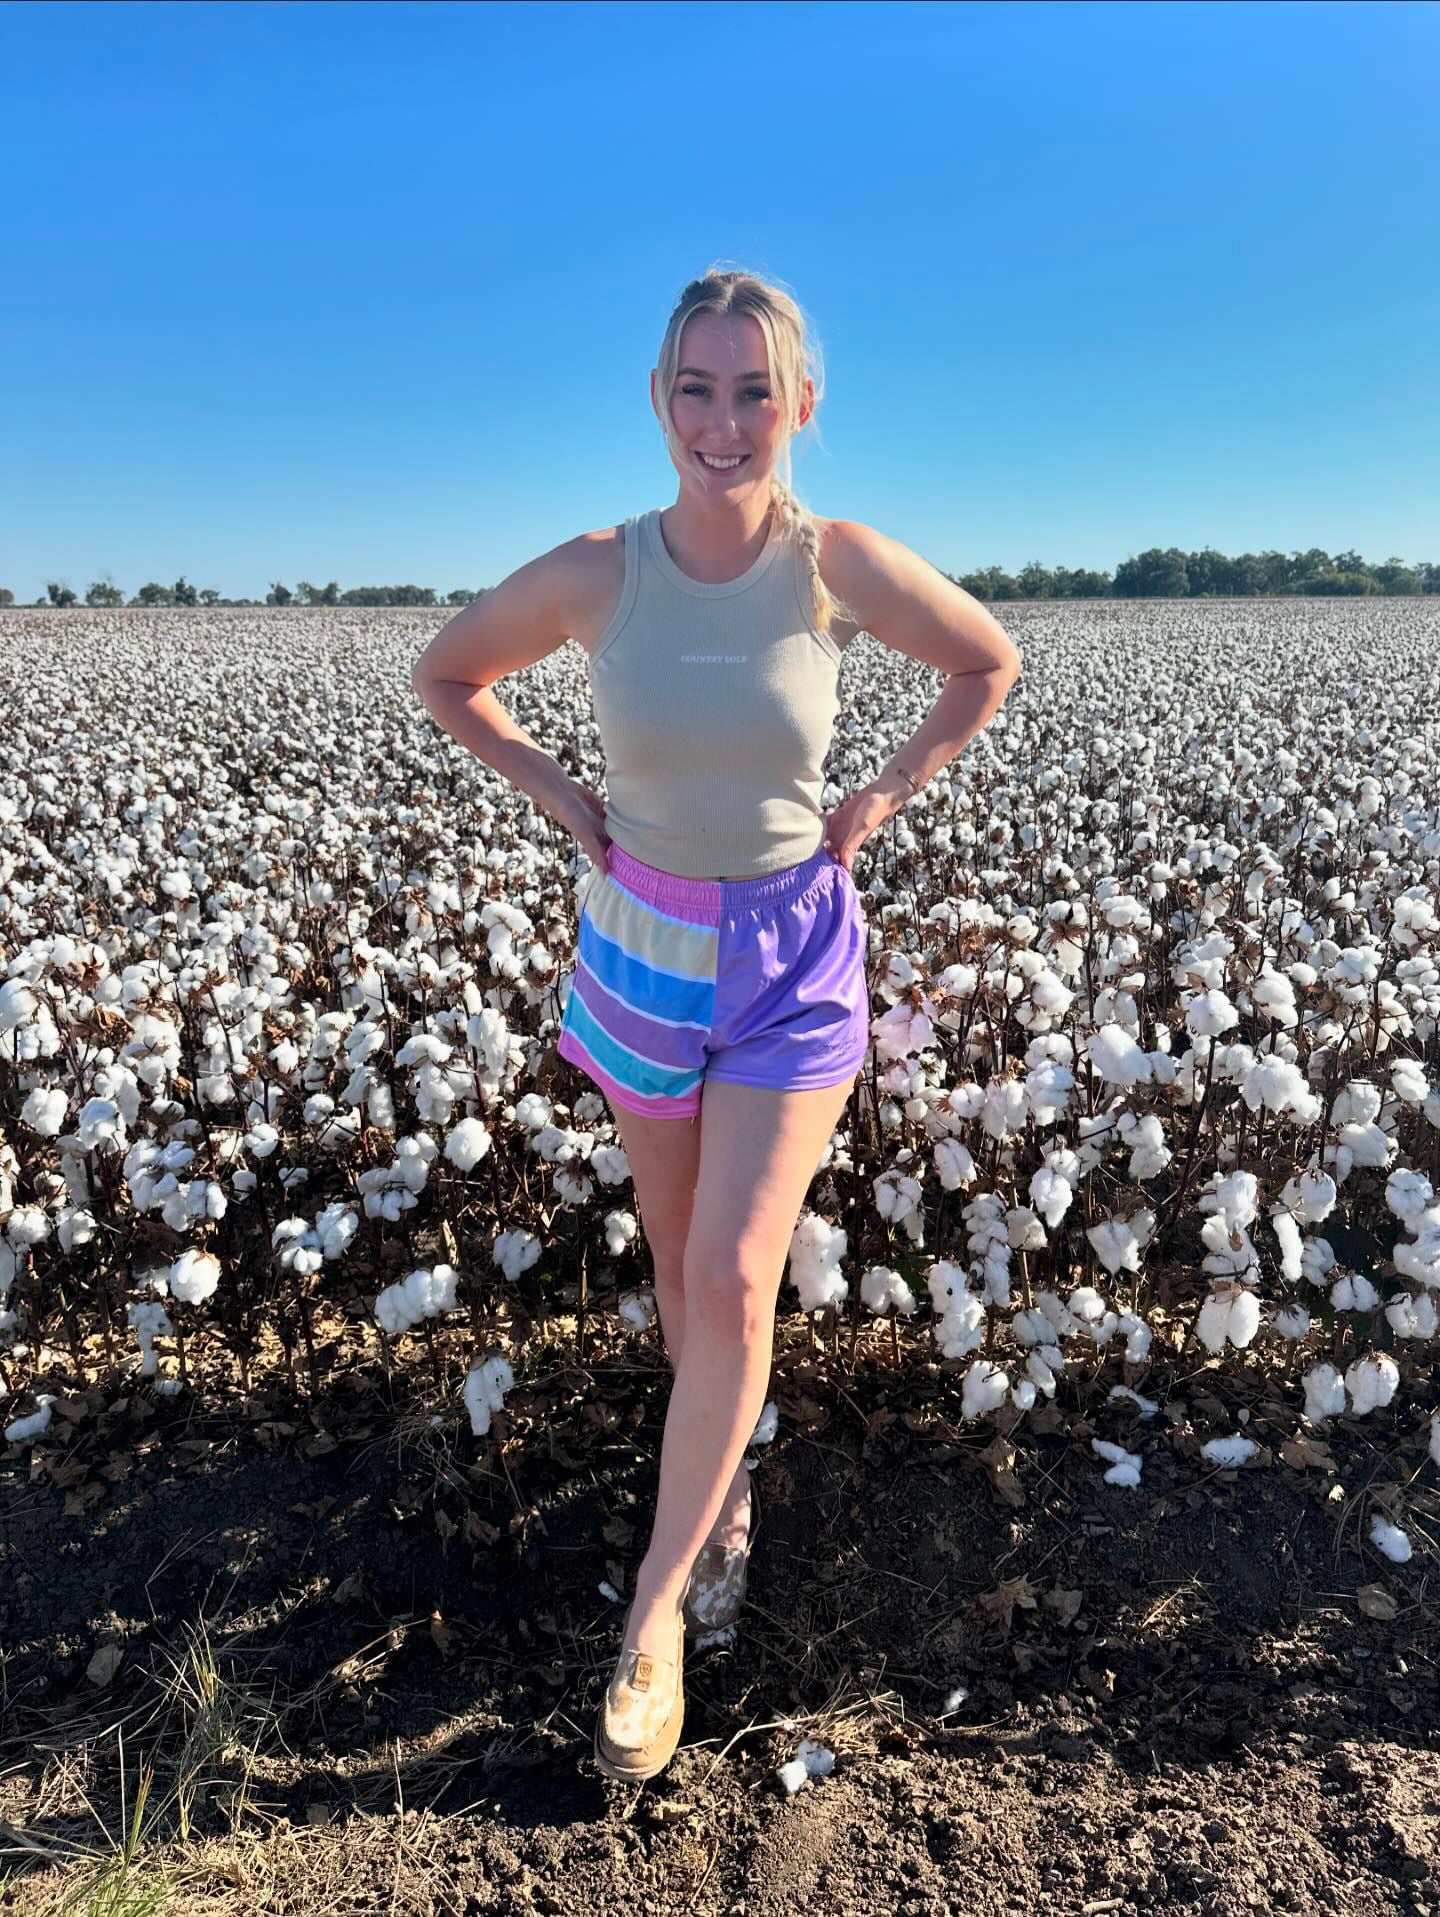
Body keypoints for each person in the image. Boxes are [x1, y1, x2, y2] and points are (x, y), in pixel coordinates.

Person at [411, 264, 1023, 1783]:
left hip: (791, 957)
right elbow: (449, 674)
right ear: (657, 400)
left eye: (756, 389)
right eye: (698, 387)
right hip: (641, 949)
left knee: (738, 1267)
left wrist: (877, 794)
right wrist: (564, 795)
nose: (725, 421)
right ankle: (723, 1496)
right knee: (690, 1276)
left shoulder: (837, 566)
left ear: (802, 402)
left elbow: (983, 662)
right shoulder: (598, 571)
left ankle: (654, 1610)